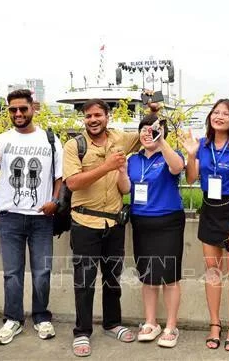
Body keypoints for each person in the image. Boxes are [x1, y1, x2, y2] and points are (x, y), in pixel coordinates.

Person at [63, 98, 159, 357]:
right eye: (88, 116)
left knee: (112, 278)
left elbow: (148, 134)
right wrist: (106, 166)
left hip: (114, 222)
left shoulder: (120, 139)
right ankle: (82, 332)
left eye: (98, 115)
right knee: (84, 282)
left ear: (107, 116)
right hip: (84, 221)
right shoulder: (75, 146)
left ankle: (112, 323)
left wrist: (153, 112)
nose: (93, 120)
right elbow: (72, 183)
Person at [0, 89, 63, 345]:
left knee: (42, 271)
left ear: (33, 108)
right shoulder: (1, 140)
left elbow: (59, 177)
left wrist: (55, 202)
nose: (18, 114)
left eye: (23, 108)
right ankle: (12, 319)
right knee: (12, 273)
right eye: (13, 109)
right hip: (10, 216)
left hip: (41, 218)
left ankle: (41, 316)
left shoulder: (50, 139)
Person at [183, 98, 229, 353]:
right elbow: (192, 179)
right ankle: (214, 324)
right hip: (210, 211)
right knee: (212, 272)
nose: (220, 116)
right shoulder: (202, 145)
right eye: (216, 112)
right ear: (210, 117)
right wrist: (191, 155)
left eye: (225, 113)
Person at [116, 114, 185, 348]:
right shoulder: (134, 160)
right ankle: (150, 322)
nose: (148, 133)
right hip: (141, 222)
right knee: (147, 276)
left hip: (168, 221)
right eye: (144, 129)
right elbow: (125, 189)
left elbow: (177, 168)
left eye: (153, 130)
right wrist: (122, 171)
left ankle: (171, 326)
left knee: (170, 276)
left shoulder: (169, 154)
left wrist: (162, 140)